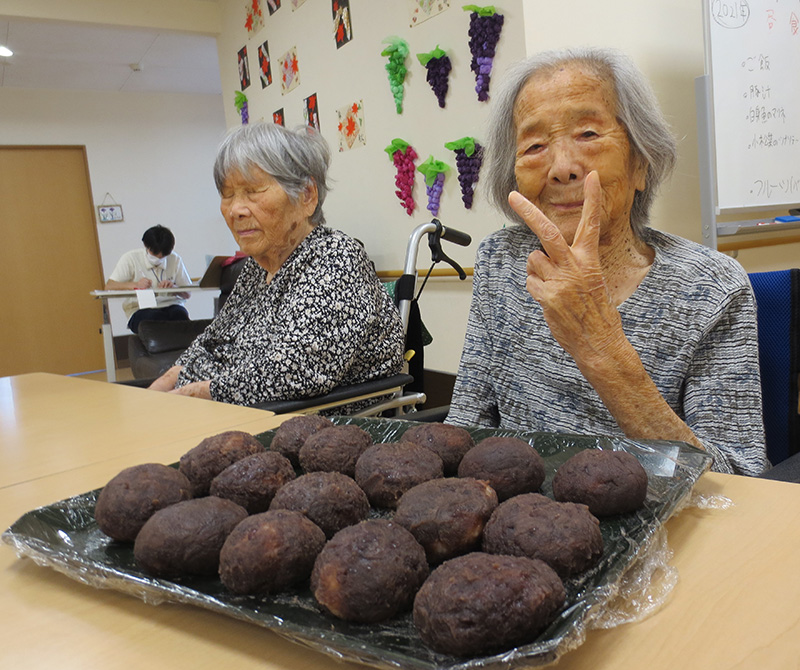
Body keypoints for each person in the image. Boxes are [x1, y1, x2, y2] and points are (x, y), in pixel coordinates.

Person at [446, 47, 769, 477]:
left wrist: (601, 347)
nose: (561, 168)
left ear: (640, 164)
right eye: (535, 145)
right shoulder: (501, 261)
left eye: (588, 135)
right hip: (519, 518)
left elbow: (738, 486)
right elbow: (466, 426)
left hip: (656, 528)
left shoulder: (711, 289)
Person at [149, 122, 405, 409]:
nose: (236, 210)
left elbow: (295, 372)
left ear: (307, 195)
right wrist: (160, 388)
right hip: (242, 411)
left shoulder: (336, 259)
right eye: (227, 194)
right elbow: (213, 342)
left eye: (253, 191)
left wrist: (191, 395)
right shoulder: (257, 268)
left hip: (317, 428)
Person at [105, 224, 192, 333]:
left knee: (180, 315)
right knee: (154, 317)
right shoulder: (131, 258)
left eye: (163, 256)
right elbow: (110, 286)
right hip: (140, 309)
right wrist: (135, 285)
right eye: (155, 254)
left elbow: (188, 294)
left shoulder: (175, 259)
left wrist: (174, 288)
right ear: (146, 246)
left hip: (171, 304)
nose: (159, 258)